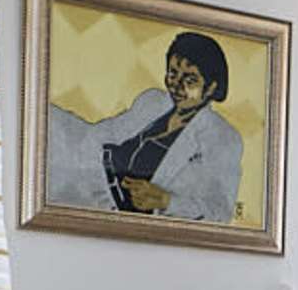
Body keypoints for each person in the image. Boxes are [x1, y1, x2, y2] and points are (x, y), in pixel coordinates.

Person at [46, 30, 245, 224]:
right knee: (46, 118)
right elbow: (103, 134)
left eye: (190, 80)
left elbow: (220, 212)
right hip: (89, 168)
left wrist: (167, 201)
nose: (177, 85)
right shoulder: (154, 100)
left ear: (211, 87)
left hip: (109, 206)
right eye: (173, 73)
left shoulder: (222, 137)